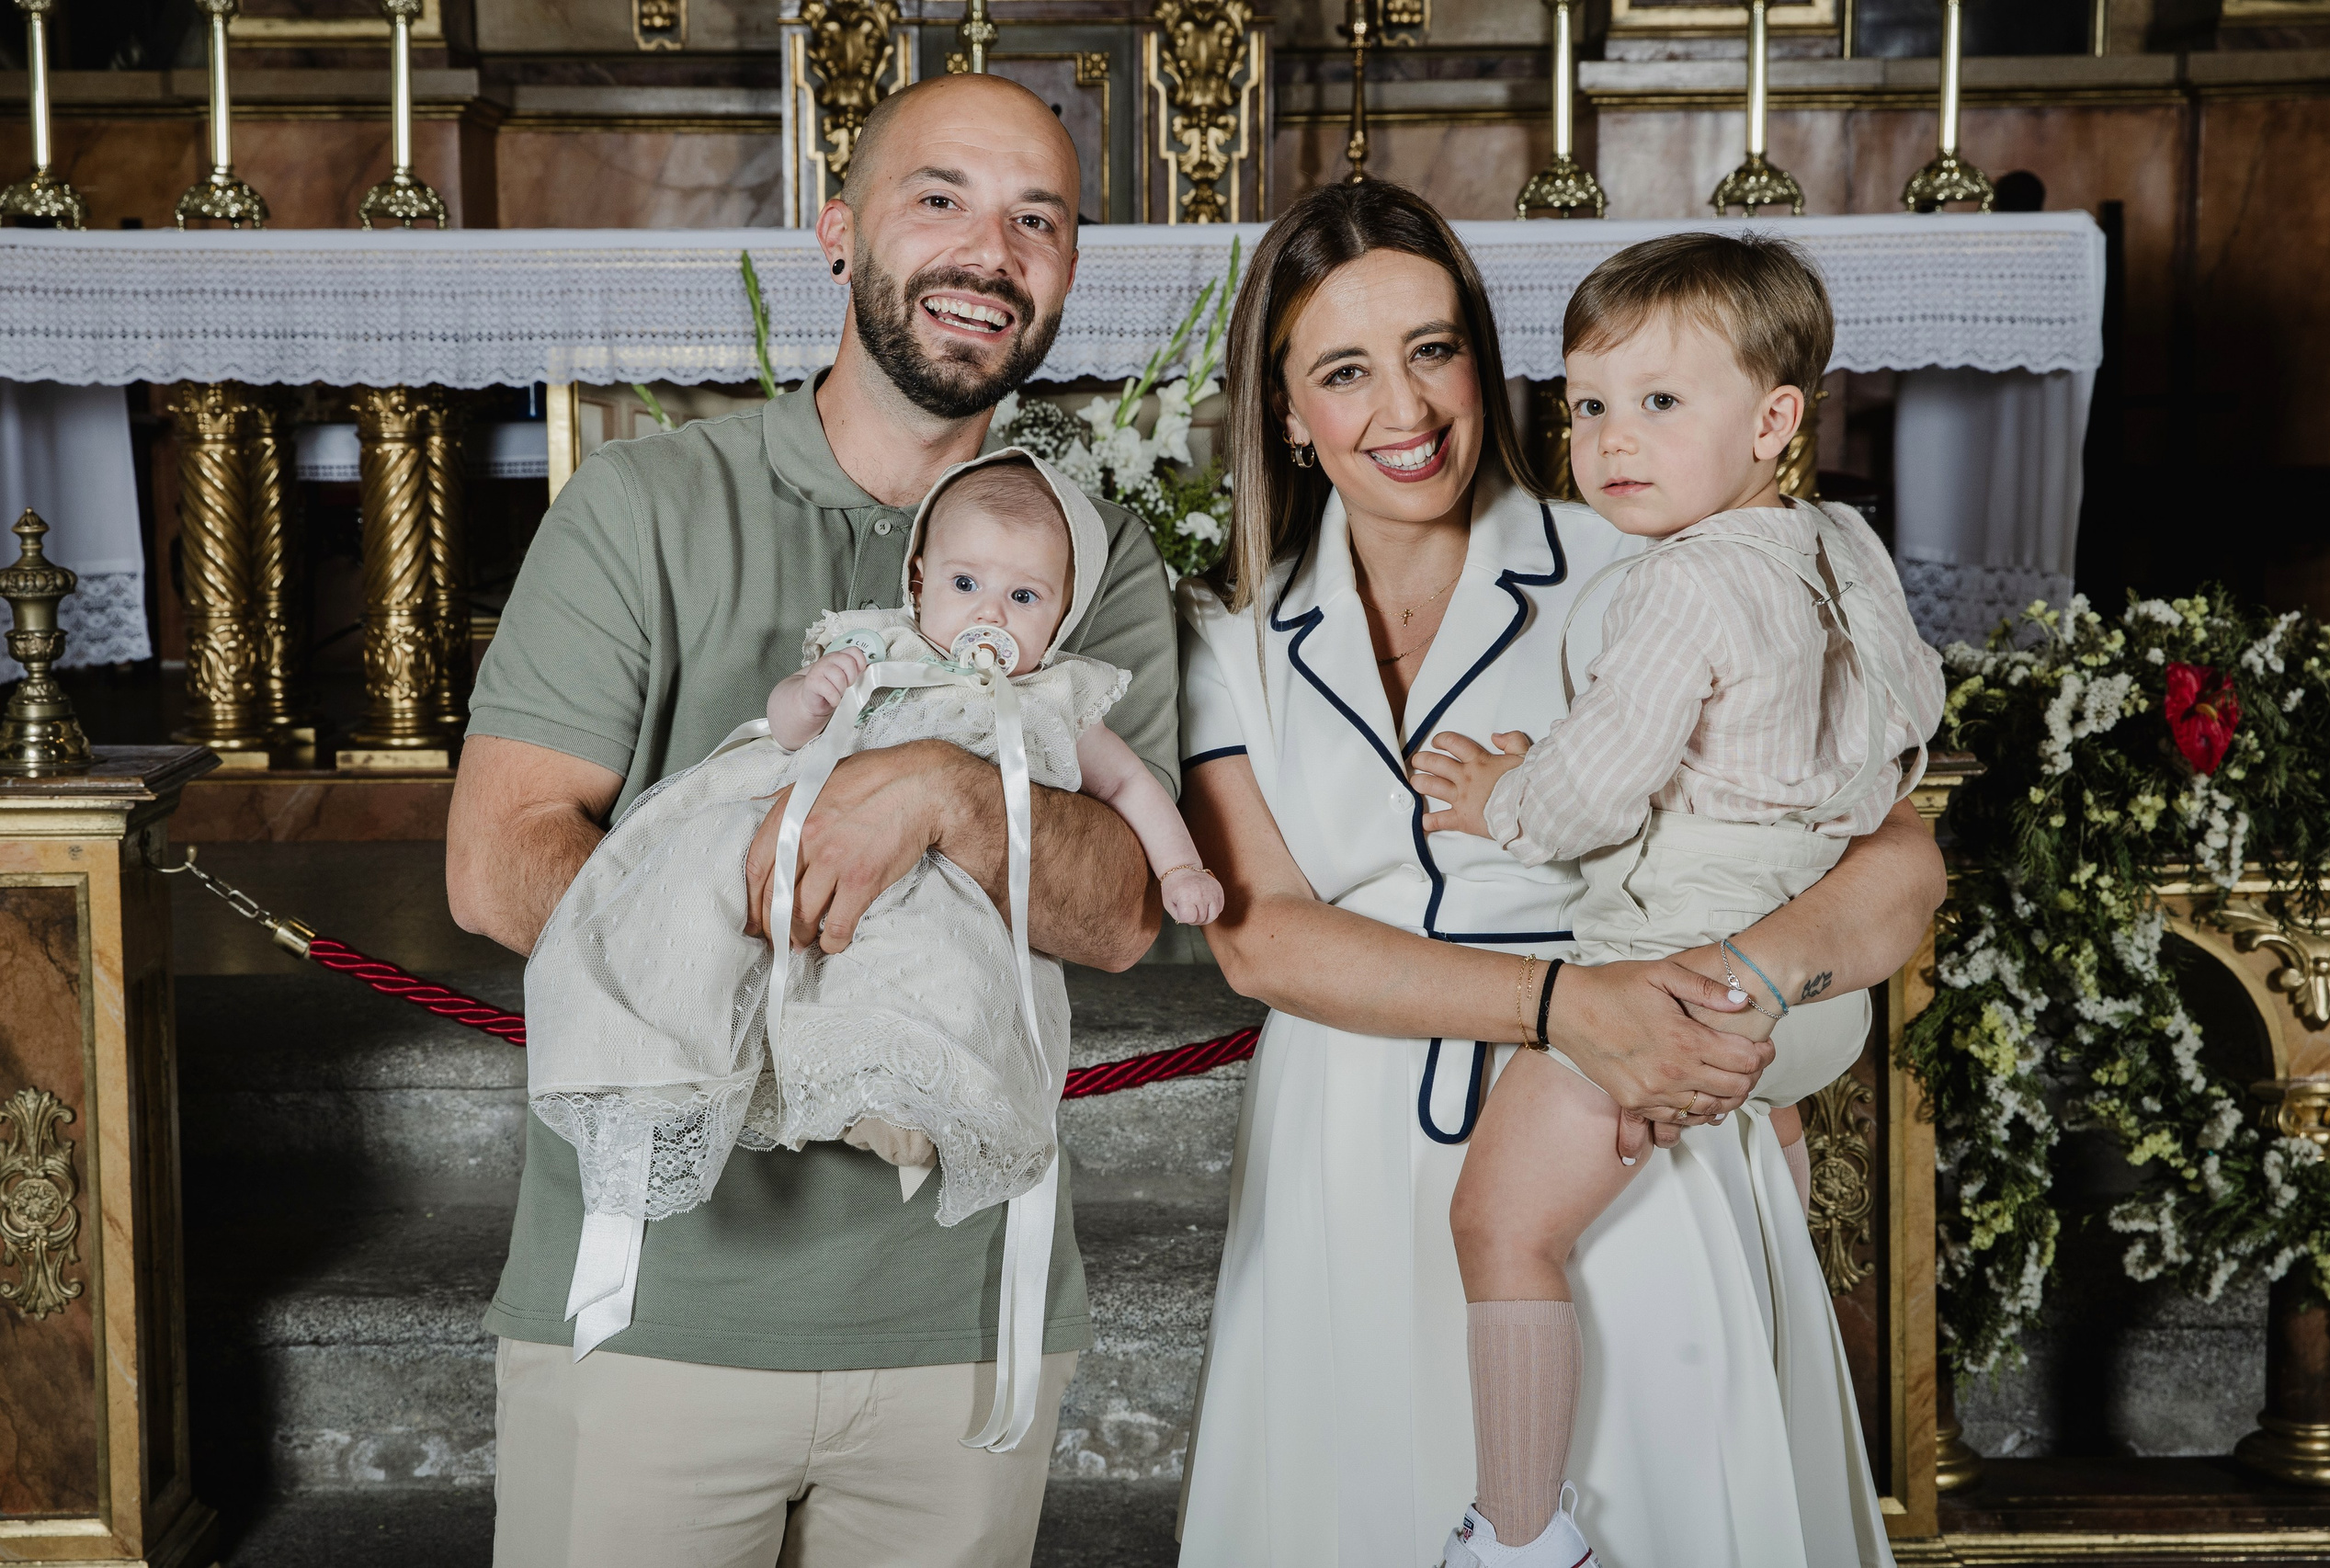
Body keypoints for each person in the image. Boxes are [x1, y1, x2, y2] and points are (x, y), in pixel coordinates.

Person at [446, 73, 1179, 1568]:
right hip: (660, 1304)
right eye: (943, 198)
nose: (991, 248)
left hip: (963, 1324)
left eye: (1036, 217)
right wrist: (767, 943)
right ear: (837, 232)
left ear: (1068, 271)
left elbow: (1117, 911)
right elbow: (498, 857)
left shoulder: (1092, 560)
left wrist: (940, 791)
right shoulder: (645, 505)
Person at [1171, 178, 1946, 1568]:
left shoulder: (1651, 546)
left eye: (1432, 349)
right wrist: (1559, 1007)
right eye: (1344, 371)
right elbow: (1265, 940)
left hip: (1639, 1110)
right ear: (1287, 409)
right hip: (1347, 1149)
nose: (1403, 409)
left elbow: (1894, 855)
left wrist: (1737, 994)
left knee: (1656, 1500)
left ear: (1487, 353)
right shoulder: (1224, 635)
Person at [1410, 233, 1944, 1566]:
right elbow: (1898, 725)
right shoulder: (1843, 544)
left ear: (1772, 421)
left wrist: (1501, 799)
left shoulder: (1678, 581)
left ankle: (1520, 1532)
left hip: (1677, 980)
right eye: (1588, 405)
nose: (1610, 441)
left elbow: (1594, 801)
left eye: (1658, 402)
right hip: (1809, 1004)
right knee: (1743, 1210)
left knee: (1499, 1219)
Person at [521, 452, 1221, 1443]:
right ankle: (666, 1068)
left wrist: (1182, 867)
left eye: (1024, 596)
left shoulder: (1054, 699)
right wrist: (816, 690)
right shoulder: (874, 648)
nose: (991, 611)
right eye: (967, 583)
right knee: (697, 884)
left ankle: (898, 1103)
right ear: (917, 581)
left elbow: (1134, 794)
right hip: (797, 821)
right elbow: (784, 720)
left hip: (936, 892)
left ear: (1059, 616)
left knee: (940, 961)